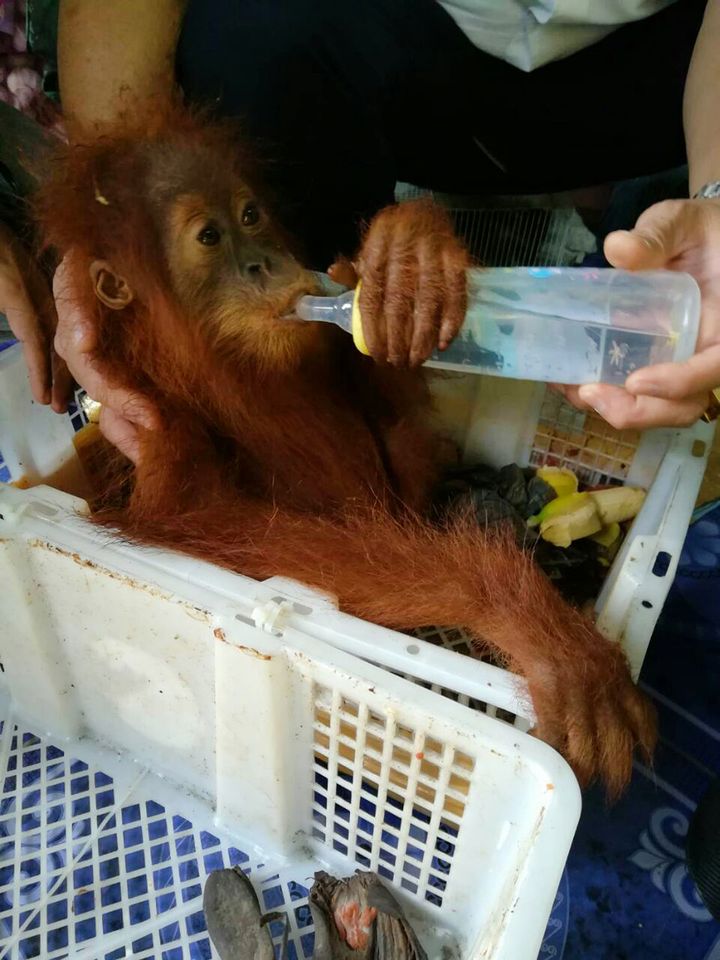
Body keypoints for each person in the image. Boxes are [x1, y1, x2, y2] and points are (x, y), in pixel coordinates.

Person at [5, 0, 720, 459]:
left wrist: (717, 195)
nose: (265, 267)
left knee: (650, 285)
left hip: (666, 53)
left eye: (251, 221)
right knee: (238, 33)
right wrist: (111, 223)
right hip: (420, 35)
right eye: (215, 237)